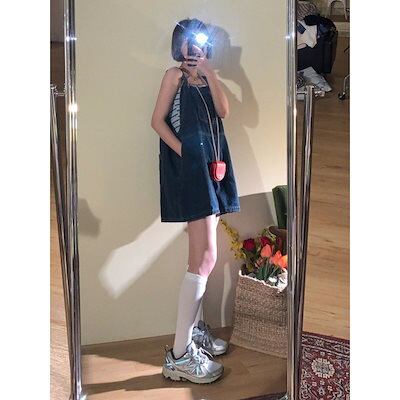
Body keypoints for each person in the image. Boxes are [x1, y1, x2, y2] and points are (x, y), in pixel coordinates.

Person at [150, 18, 241, 384]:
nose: (195, 46)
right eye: (189, 41)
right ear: (180, 45)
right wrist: (187, 155)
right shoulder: (173, 76)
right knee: (204, 258)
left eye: (200, 40)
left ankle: (195, 334)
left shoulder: (207, 77)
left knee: (203, 257)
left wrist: (211, 73)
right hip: (193, 170)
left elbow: (224, 112)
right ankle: (180, 354)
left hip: (215, 165)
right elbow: (157, 122)